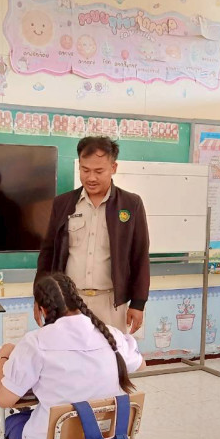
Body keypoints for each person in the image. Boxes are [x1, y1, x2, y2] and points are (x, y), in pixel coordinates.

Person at [0, 272, 145, 439]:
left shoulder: (36, 342)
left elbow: (4, 398)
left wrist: (2, 358)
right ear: (78, 301)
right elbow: (140, 364)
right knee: (54, 419)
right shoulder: (110, 334)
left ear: (42, 309)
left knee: (11, 425)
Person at [36, 137, 150, 335]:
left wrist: (138, 304)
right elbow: (48, 253)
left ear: (113, 167)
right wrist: (40, 296)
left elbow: (140, 256)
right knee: (68, 352)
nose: (91, 178)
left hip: (111, 303)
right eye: (85, 170)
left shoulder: (131, 204)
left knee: (111, 353)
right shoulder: (63, 204)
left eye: (98, 171)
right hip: (68, 302)